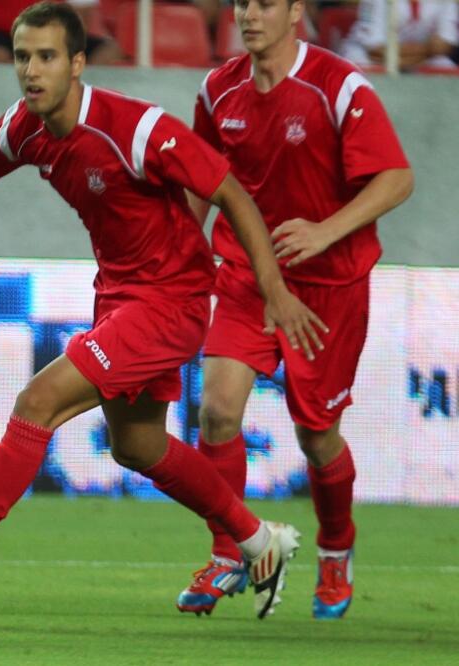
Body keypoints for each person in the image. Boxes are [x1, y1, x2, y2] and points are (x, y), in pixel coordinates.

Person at [0, 2, 326, 619]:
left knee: (38, 402)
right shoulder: (25, 127)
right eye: (23, 57)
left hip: (171, 301)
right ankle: (257, 541)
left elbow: (231, 193)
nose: (32, 70)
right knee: (136, 445)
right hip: (119, 296)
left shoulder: (136, 129)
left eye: (47, 57)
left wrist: (273, 290)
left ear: (78, 63)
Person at [178, 0, 413, 619]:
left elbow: (396, 178)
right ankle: (228, 552)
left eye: (266, 4)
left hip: (328, 285)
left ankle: (336, 547)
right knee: (216, 411)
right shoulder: (217, 90)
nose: (249, 15)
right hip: (246, 274)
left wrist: (324, 231)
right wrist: (177, 255)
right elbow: (201, 180)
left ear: (295, 12)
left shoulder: (338, 86)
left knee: (316, 434)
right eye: (242, 3)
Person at [340, 0, 458, 71]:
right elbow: (375, 51)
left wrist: (405, 62)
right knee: (359, 65)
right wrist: (427, 50)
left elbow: (443, 46)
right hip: (368, 56)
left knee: (445, 66)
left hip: (419, 58)